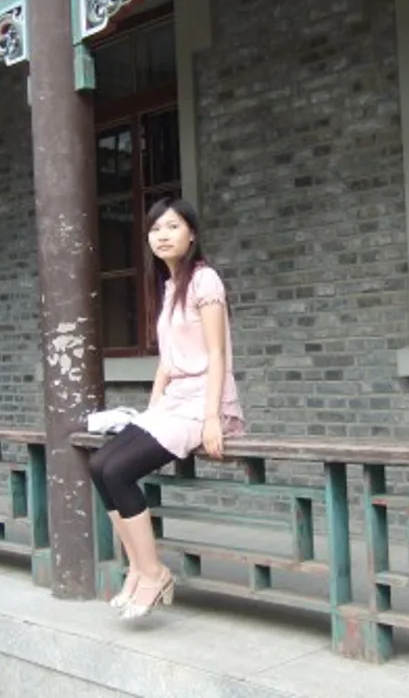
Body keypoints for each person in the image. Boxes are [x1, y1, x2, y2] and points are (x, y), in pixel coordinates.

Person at [88, 198, 245, 621]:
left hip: (201, 403)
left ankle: (155, 572)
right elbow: (167, 359)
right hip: (173, 403)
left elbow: (217, 354)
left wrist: (212, 418)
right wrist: (151, 409)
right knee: (100, 466)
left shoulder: (204, 280)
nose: (162, 235)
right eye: (155, 228)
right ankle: (139, 569)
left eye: (172, 226)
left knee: (119, 472)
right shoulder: (171, 285)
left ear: (192, 234)